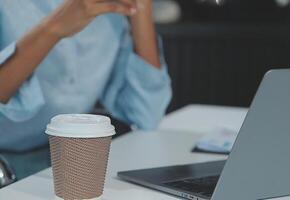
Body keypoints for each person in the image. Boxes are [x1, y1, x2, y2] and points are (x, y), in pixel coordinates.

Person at [0, 0, 172, 180]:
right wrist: (53, 28)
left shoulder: (111, 13)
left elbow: (146, 114)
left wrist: (141, 8)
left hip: (67, 161)